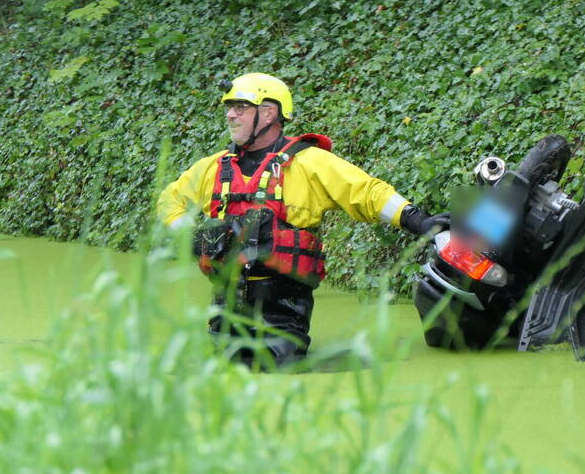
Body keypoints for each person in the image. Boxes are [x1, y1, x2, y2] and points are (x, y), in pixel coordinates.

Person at [157, 73, 442, 368]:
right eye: (229, 107)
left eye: (240, 107)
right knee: (225, 374)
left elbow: (367, 192)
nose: (230, 114)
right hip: (226, 302)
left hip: (284, 304)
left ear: (268, 113)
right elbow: (169, 201)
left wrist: (417, 220)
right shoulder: (212, 168)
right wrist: (191, 235)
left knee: (277, 370)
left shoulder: (309, 162)